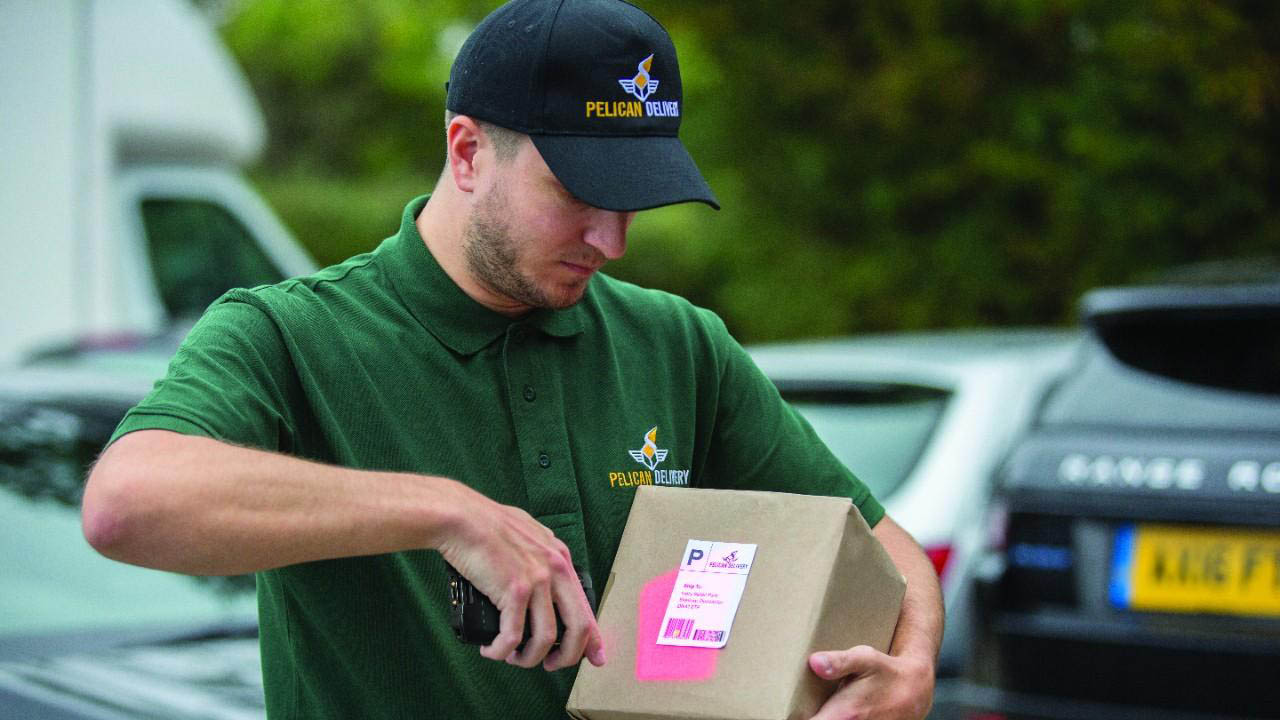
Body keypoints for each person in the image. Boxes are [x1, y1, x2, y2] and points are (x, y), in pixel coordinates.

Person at [82, 0, 942, 718]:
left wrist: (912, 668)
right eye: (578, 193)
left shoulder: (677, 342)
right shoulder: (288, 334)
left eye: (634, 200)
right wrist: (450, 512)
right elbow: (127, 501)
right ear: (466, 152)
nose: (612, 239)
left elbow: (884, 547)